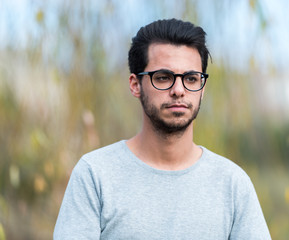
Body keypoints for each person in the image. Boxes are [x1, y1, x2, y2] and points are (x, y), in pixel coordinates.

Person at [54, 18, 271, 239]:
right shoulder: (95, 175)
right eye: (163, 78)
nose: (179, 90)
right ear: (135, 85)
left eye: (191, 78)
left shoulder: (232, 184)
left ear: (202, 88)